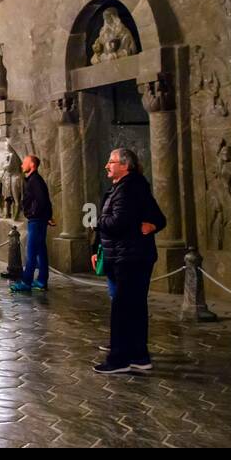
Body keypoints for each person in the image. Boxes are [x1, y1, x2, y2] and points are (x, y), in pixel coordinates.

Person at [92, 148, 166, 374]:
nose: (107, 165)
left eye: (111, 162)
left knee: (123, 309)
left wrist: (98, 221)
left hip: (130, 257)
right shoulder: (128, 186)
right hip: (129, 255)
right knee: (134, 308)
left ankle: (119, 360)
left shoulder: (129, 188)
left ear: (125, 165)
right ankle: (139, 356)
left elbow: (117, 223)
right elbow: (158, 218)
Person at [12, 155, 55, 293]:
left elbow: (43, 200)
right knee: (41, 251)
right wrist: (46, 215)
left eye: (24, 163)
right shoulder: (33, 180)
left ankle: (26, 281)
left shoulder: (35, 180)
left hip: (36, 220)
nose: (21, 165)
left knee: (31, 252)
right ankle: (42, 280)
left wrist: (34, 213)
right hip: (38, 219)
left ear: (32, 165)